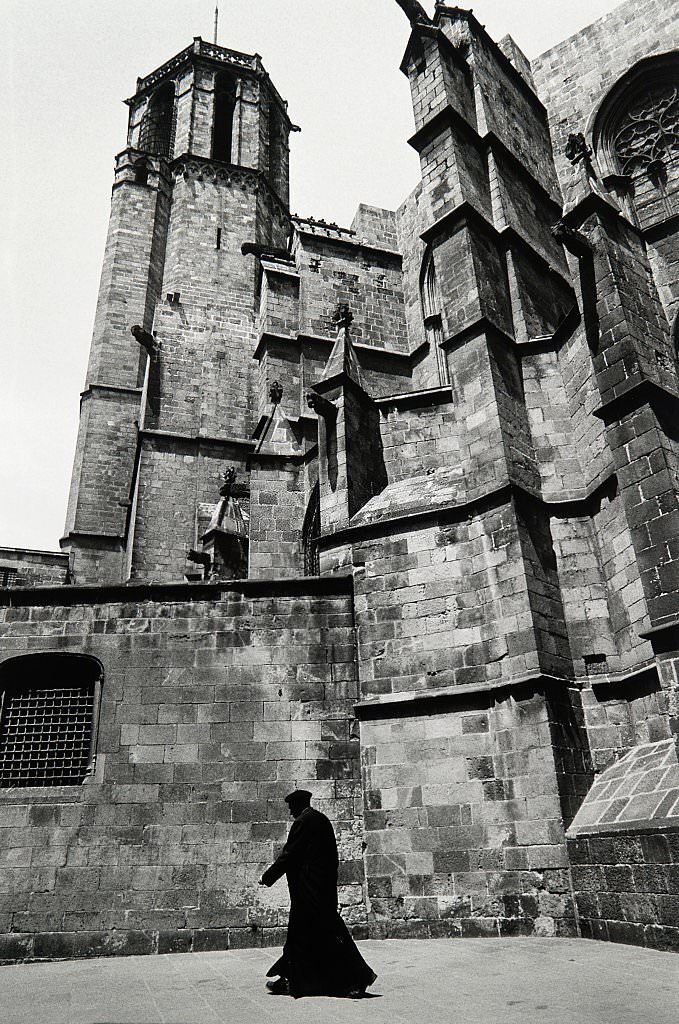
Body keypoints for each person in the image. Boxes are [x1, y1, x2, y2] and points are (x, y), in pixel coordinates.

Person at [258, 789, 377, 998]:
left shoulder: (304, 822)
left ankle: (357, 979)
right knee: (300, 937)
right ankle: (288, 979)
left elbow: (289, 855)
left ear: (298, 805)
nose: (290, 812)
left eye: (291, 807)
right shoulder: (321, 820)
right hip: (320, 891)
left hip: (309, 894)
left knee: (326, 936)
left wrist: (267, 877)